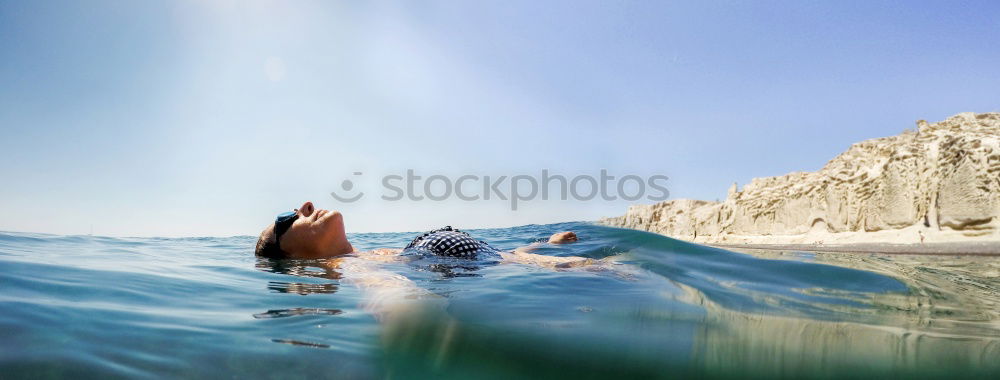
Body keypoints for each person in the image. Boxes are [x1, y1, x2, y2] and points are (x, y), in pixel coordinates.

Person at [255, 201, 590, 268]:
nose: (305, 206)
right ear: (291, 257)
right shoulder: (348, 269)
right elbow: (389, 295)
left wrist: (544, 244)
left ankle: (546, 243)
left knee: (513, 255)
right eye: (286, 219)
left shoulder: (361, 257)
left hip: (498, 255)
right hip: (505, 264)